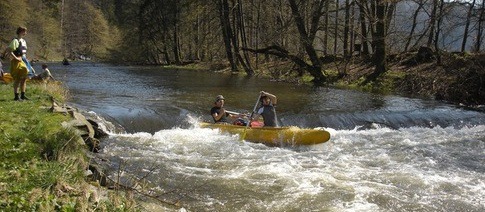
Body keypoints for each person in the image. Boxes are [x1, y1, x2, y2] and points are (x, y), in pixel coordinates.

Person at [6, 27, 32, 101]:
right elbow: (9, 50)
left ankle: (23, 95)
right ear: (20, 31)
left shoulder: (23, 41)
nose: (25, 33)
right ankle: (16, 97)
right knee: (17, 79)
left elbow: (24, 52)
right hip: (17, 61)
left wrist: (26, 60)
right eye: (24, 31)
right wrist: (16, 58)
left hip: (23, 60)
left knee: (24, 78)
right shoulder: (15, 41)